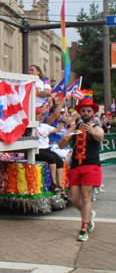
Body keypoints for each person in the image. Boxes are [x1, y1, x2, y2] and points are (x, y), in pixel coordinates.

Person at [58, 96, 104, 242]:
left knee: (86, 196)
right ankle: (88, 215)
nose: (85, 113)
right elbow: (60, 145)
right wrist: (65, 138)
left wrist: (91, 131)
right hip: (76, 167)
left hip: (91, 166)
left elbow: (100, 137)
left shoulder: (96, 127)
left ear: (93, 113)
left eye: (88, 111)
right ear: (80, 112)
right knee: (74, 198)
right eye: (83, 110)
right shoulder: (74, 127)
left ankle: (84, 228)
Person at [35, 107, 65, 194]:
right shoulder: (33, 126)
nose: (41, 117)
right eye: (38, 115)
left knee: (59, 160)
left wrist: (62, 121)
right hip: (37, 150)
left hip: (46, 149)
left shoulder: (45, 126)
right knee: (51, 158)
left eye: (42, 115)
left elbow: (57, 130)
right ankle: (53, 184)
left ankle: (60, 185)